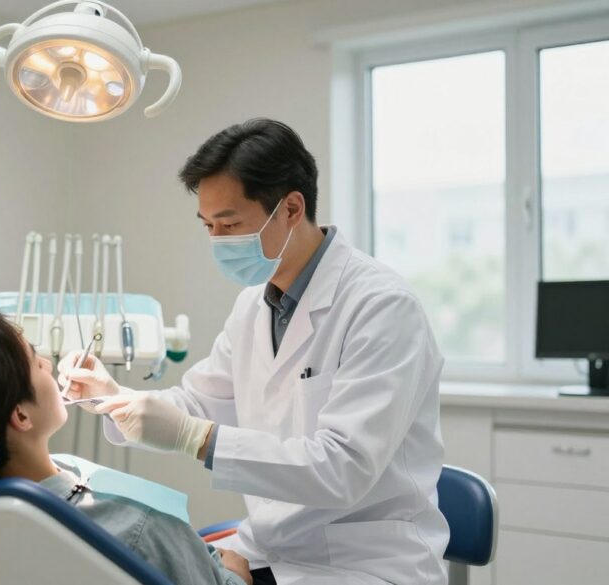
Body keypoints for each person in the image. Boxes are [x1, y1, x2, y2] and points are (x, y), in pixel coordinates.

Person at [60, 119, 450, 585]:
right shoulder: (254, 304)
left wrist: (196, 438)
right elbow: (198, 402)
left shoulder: (382, 307)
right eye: (208, 226)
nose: (217, 241)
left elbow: (342, 468)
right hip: (269, 546)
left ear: (291, 208)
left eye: (230, 225)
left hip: (364, 562)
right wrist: (113, 398)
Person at [0, 305, 252, 585]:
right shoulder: (138, 527)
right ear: (21, 415)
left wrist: (114, 395)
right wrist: (234, 575)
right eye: (35, 360)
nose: (47, 363)